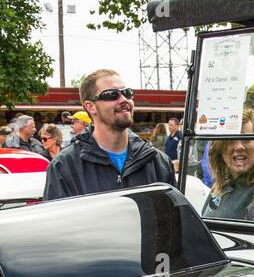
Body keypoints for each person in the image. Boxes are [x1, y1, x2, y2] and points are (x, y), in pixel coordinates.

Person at [43, 69, 175, 201]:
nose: (124, 99)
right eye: (112, 95)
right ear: (90, 107)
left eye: (127, 93)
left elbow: (173, 219)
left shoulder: (159, 163)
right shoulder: (63, 167)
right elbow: (55, 221)